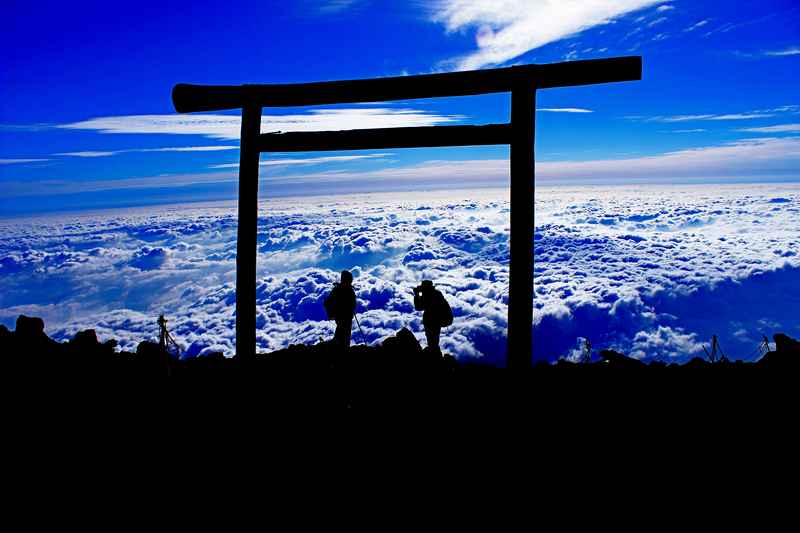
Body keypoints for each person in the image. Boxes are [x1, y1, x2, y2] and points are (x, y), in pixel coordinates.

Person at [413, 280, 453, 354]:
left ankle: (433, 353)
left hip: (433, 321)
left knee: (432, 340)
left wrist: (416, 295)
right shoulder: (436, 293)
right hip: (438, 320)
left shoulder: (429, 296)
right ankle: (434, 351)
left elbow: (418, 307)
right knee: (434, 339)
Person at [324, 270, 357, 348]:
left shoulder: (339, 289)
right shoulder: (346, 290)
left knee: (342, 332)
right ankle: (342, 347)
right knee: (344, 333)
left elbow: (328, 302)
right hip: (344, 315)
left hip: (342, 315)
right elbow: (352, 303)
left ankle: (339, 346)